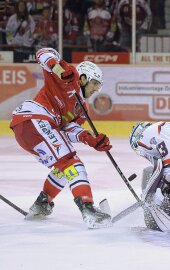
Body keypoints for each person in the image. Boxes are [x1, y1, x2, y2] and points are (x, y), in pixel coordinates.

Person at [9, 48, 112, 229]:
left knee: (62, 168)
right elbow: (43, 53)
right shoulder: (66, 77)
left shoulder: (82, 109)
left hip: (30, 129)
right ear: (84, 78)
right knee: (72, 163)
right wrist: (58, 70)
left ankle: (42, 203)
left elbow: (69, 129)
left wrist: (91, 139)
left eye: (99, 86)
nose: (97, 89)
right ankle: (88, 209)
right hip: (34, 118)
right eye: (95, 83)